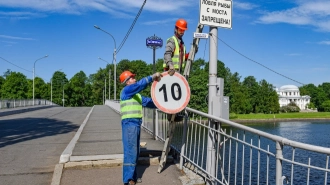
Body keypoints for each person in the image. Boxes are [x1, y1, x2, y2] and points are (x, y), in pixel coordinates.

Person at [119, 70, 162, 185]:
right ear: (127, 82)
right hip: (129, 124)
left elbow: (148, 102)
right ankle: (128, 180)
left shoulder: (135, 95)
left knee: (135, 151)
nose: (135, 79)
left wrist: (162, 103)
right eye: (132, 78)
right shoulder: (127, 90)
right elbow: (139, 85)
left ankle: (133, 177)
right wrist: (152, 77)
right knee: (130, 152)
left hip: (135, 124)